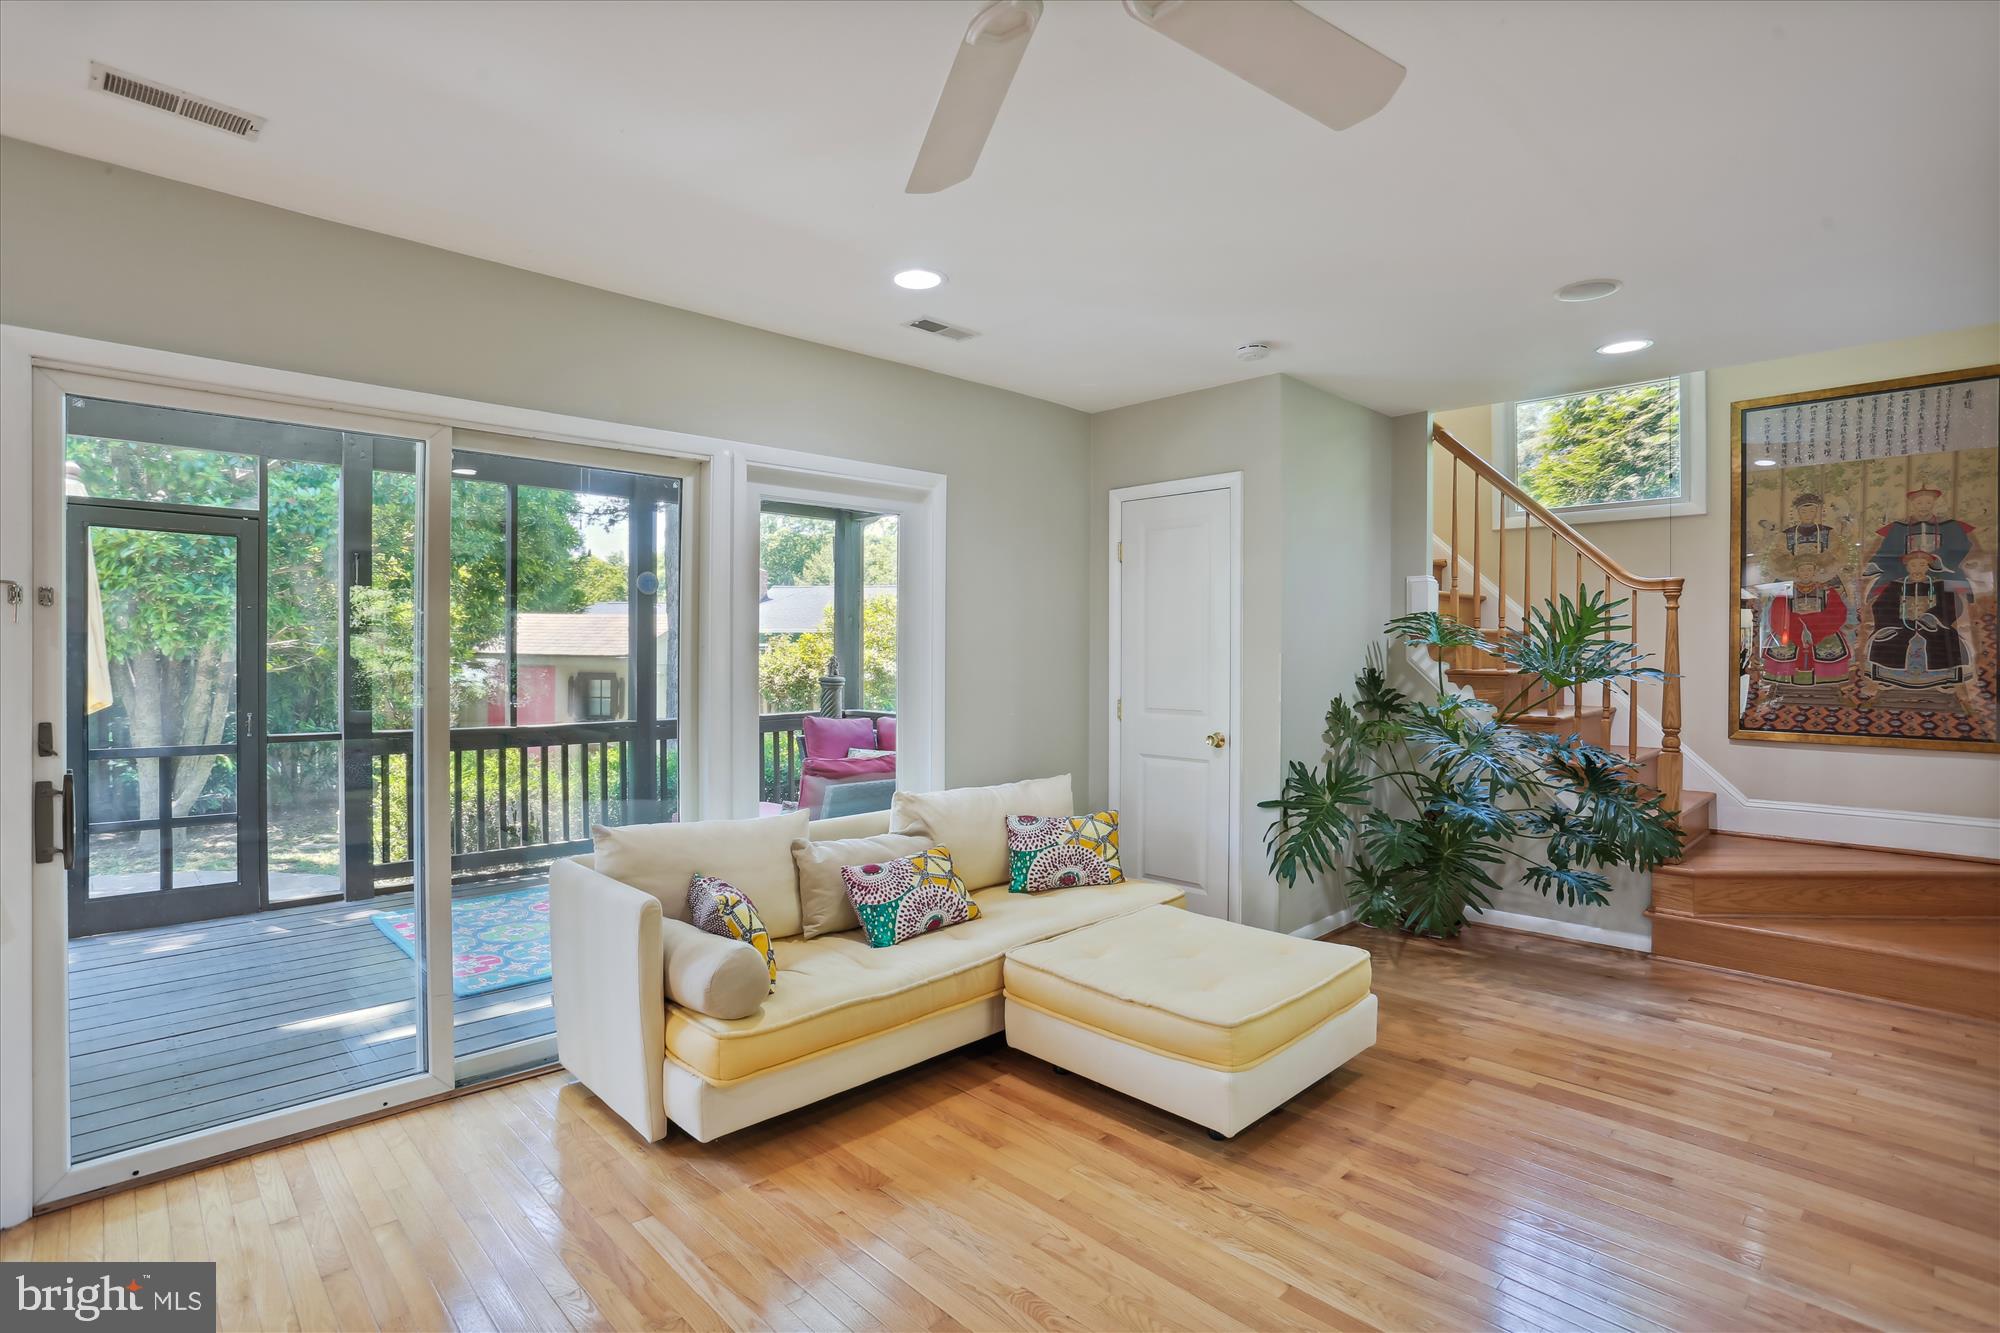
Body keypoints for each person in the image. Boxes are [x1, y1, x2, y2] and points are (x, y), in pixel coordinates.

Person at [1761, 555, 1851, 686]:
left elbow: (1838, 613)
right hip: (1791, 629)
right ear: (1796, 572)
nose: (1806, 573)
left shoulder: (1826, 591)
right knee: (1783, 647)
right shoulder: (1786, 591)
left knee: (1830, 646)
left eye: (1809, 570)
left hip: (1822, 630)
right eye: (1802, 570)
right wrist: (1799, 627)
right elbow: (1777, 614)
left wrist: (1812, 625)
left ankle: (1828, 682)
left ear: (1815, 571)